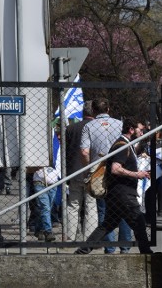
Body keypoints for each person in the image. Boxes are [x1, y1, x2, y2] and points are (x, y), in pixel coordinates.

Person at [75, 118, 154, 255]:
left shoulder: (127, 145)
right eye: (140, 130)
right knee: (139, 222)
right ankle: (146, 252)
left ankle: (83, 250)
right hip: (123, 194)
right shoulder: (121, 145)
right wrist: (137, 174)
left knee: (108, 224)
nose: (142, 133)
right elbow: (115, 168)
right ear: (131, 129)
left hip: (117, 193)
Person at [80, 98, 132, 254]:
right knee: (123, 209)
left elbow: (84, 151)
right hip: (120, 170)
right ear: (108, 109)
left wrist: (88, 168)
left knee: (104, 211)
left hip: (100, 171)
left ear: (94, 111)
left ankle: (109, 247)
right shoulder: (119, 124)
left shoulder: (88, 126)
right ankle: (125, 246)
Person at [65, 101, 97, 241]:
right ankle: (89, 238)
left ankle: (70, 237)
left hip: (74, 171)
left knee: (73, 205)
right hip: (92, 171)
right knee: (91, 205)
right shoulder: (96, 128)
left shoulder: (71, 128)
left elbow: (66, 151)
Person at [31, 165, 59, 242]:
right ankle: (48, 231)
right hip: (39, 183)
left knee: (47, 209)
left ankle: (39, 229)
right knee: (45, 207)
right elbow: (28, 168)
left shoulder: (57, 154)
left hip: (53, 183)